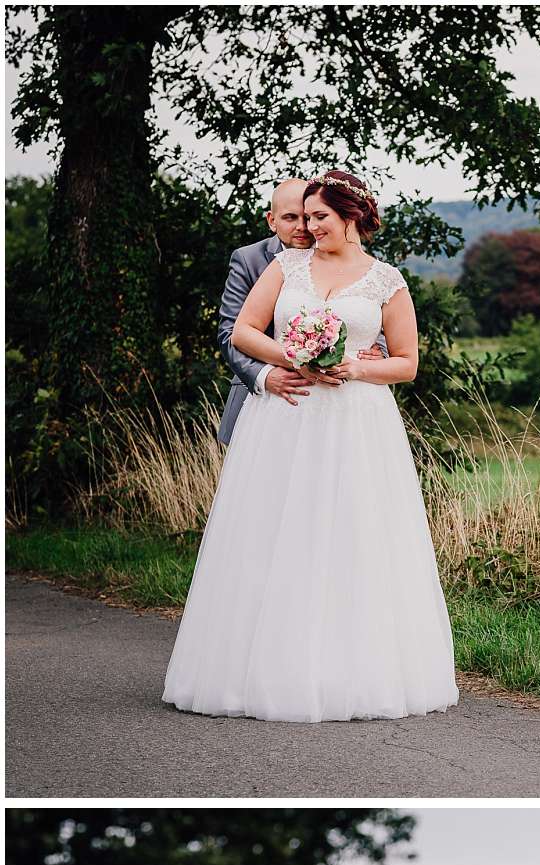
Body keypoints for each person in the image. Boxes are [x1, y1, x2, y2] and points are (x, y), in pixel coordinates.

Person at [163, 170, 458, 723]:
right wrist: (291, 359)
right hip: (284, 416)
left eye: (320, 216)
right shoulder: (286, 266)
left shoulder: (387, 281)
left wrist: (352, 368)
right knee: (273, 533)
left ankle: (351, 672)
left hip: (356, 424)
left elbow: (407, 363)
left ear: (351, 217)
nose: (309, 227)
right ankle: (257, 669)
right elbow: (244, 331)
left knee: (351, 537)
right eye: (304, 217)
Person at [215, 176, 327, 444]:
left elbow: (362, 312)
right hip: (260, 396)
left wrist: (376, 350)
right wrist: (265, 377)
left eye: (307, 217)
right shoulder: (248, 259)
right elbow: (229, 334)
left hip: (324, 403)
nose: (302, 227)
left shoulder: (334, 256)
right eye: (290, 218)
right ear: (271, 220)